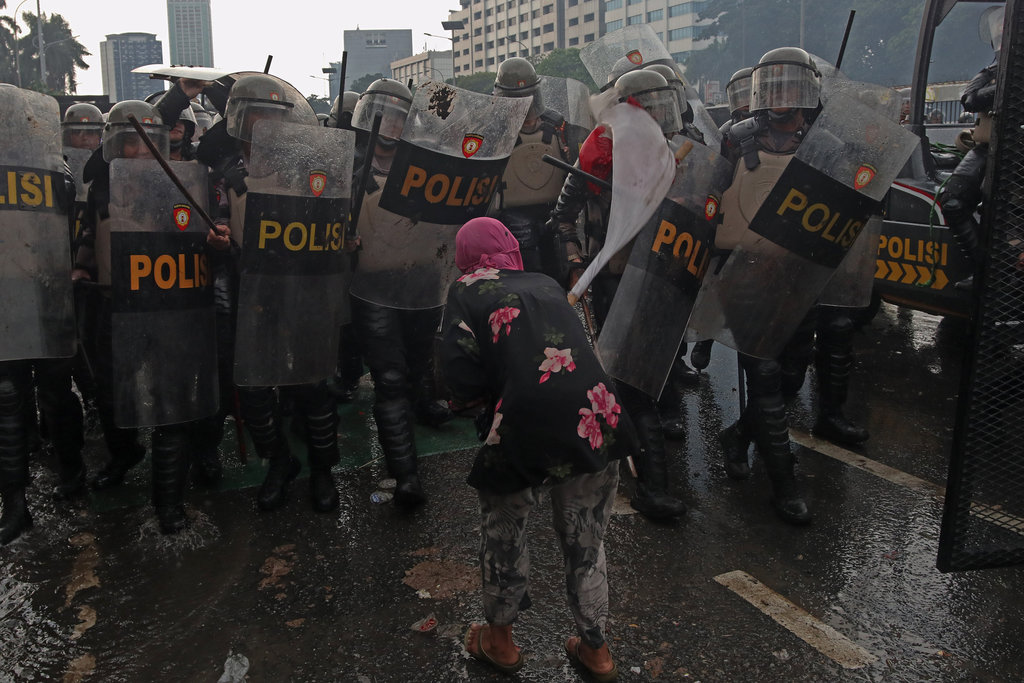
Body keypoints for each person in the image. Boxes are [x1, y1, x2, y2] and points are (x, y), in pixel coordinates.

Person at [441, 217, 625, 681]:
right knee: (587, 539)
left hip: (523, 418)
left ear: (466, 255)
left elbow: (458, 381)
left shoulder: (466, 288)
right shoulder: (542, 280)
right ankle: (596, 651)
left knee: (505, 529)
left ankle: (500, 644)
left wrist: (474, 400)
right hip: (595, 412)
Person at [197, 73, 342, 514]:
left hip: (303, 292)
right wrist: (220, 242)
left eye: (272, 115)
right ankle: (280, 462)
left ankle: (322, 469)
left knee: (312, 387)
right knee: (256, 392)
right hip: (252, 293)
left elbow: (330, 221)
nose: (263, 123)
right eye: (255, 115)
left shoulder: (307, 167)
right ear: (239, 119)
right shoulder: (226, 175)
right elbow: (220, 225)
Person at [548, 69, 688, 520]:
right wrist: (574, 262)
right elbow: (563, 216)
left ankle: (629, 456)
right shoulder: (600, 152)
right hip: (614, 274)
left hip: (664, 274)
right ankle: (651, 484)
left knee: (656, 373)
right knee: (628, 379)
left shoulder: (680, 151)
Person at [348, 78, 452, 508]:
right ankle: (405, 474)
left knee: (415, 368)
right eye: (382, 118)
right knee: (388, 380)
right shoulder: (348, 175)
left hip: (422, 283)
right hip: (373, 290)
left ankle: (420, 420)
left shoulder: (427, 172)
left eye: (397, 118)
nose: (389, 127)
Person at [488, 57, 572, 279]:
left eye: (530, 98)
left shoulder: (556, 124)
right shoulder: (492, 130)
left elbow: (573, 165)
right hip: (510, 215)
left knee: (560, 273)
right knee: (526, 274)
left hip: (554, 210)